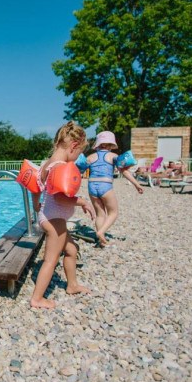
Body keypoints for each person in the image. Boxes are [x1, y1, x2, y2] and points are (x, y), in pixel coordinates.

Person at [31, 121, 96, 309]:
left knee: (71, 250)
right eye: (78, 153)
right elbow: (60, 198)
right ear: (74, 146)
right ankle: (37, 298)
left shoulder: (46, 164)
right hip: (55, 218)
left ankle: (72, 285)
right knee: (51, 259)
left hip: (49, 215)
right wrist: (83, 202)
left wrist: (36, 204)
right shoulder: (59, 166)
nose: (76, 158)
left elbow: (35, 188)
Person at [86, 131, 144, 246]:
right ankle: (101, 232)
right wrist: (136, 184)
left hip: (91, 186)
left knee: (100, 214)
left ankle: (101, 241)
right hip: (105, 185)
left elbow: (79, 171)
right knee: (113, 212)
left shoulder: (90, 157)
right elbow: (124, 171)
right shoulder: (113, 156)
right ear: (111, 145)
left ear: (98, 144)